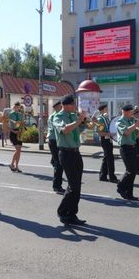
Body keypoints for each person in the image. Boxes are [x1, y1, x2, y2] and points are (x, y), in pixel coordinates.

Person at [52, 95, 88, 225]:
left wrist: (84, 121)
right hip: (66, 153)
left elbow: (79, 130)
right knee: (73, 185)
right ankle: (62, 212)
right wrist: (79, 120)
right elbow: (65, 129)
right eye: (72, 104)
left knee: (77, 186)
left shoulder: (73, 115)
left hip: (76, 152)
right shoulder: (58, 116)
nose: (74, 107)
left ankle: (72, 214)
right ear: (65, 105)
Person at [116, 104, 139, 200]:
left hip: (132, 147)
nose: (133, 113)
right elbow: (126, 132)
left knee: (133, 171)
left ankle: (129, 193)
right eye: (131, 112)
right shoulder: (120, 121)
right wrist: (136, 124)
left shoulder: (130, 121)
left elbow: (135, 135)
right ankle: (120, 186)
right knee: (130, 170)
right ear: (126, 112)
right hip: (125, 148)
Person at [95, 104, 118, 183]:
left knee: (106, 158)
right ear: (103, 109)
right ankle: (112, 177)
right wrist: (109, 134)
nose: (107, 109)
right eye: (106, 108)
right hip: (105, 140)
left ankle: (103, 176)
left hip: (108, 140)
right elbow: (99, 132)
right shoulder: (101, 119)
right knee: (110, 159)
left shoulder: (106, 118)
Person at [47, 101, 65, 194]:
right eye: (61, 106)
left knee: (56, 162)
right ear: (58, 107)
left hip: (52, 140)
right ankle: (57, 186)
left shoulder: (52, 115)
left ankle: (53, 161)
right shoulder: (56, 116)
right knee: (59, 164)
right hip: (55, 141)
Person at [8, 102, 23, 172]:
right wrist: (14, 131)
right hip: (13, 132)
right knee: (17, 149)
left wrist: (22, 129)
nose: (17, 108)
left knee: (19, 150)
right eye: (16, 106)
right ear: (14, 107)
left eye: (18, 106)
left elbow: (21, 123)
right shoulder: (11, 114)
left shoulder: (20, 114)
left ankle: (16, 166)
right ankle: (11, 164)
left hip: (19, 132)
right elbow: (8, 125)